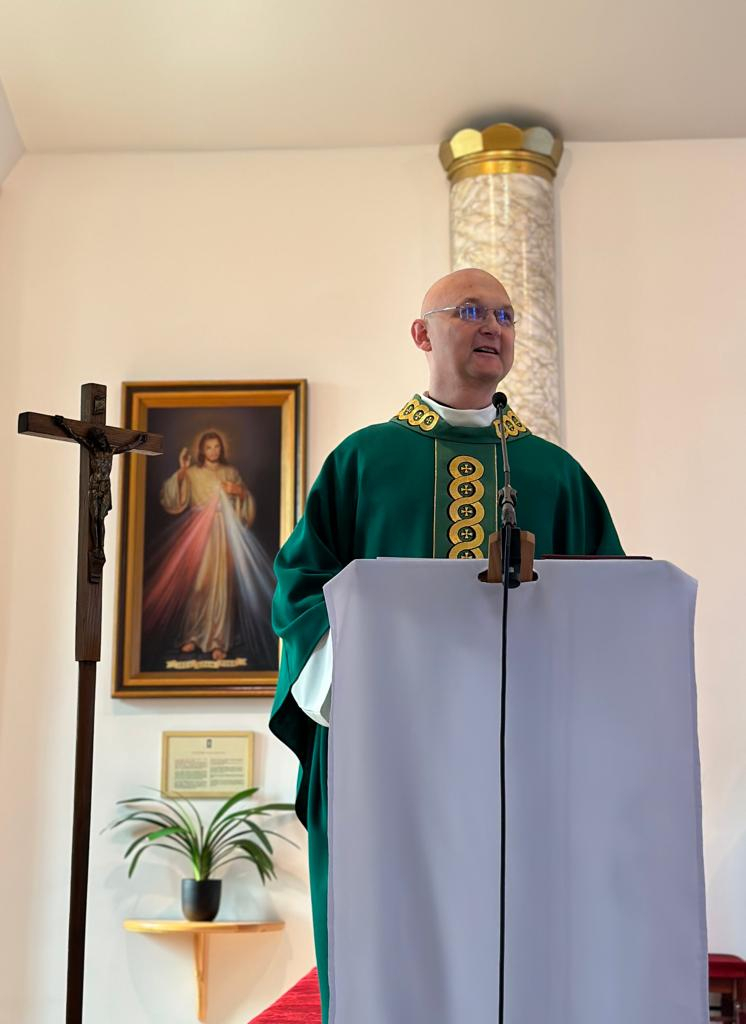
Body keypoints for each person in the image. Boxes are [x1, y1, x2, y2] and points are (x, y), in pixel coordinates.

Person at [270, 268, 623, 1022]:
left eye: (505, 315)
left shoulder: (555, 474)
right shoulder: (364, 461)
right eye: (469, 310)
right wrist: (362, 674)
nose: (492, 326)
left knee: (521, 945)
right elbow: (300, 588)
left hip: (523, 756)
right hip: (389, 751)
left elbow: (609, 605)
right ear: (422, 334)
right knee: (390, 943)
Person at [144, 430, 276, 667]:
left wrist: (239, 492)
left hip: (224, 532)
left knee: (221, 586)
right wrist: (182, 470)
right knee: (198, 585)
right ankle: (192, 636)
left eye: (217, 447)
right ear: (202, 451)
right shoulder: (193, 473)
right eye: (209, 447)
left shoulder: (230, 473)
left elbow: (245, 502)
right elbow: (173, 499)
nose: (213, 451)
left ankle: (218, 641)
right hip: (199, 533)